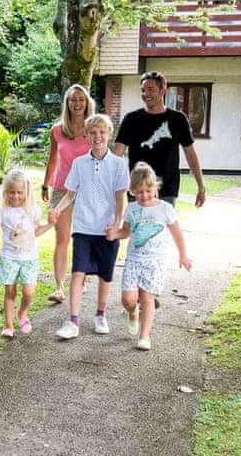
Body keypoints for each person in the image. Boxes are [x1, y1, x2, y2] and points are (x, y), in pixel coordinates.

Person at [48, 114, 129, 340]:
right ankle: (73, 321)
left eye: (102, 132)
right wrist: (58, 210)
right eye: (92, 132)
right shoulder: (79, 163)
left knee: (105, 276)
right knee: (77, 273)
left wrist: (117, 224)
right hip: (83, 228)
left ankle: (100, 315)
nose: (97, 136)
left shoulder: (118, 165)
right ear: (86, 136)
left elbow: (121, 197)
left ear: (109, 134)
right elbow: (70, 193)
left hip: (106, 230)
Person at [105, 162, 192, 351]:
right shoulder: (131, 208)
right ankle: (133, 313)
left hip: (155, 262)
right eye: (139, 192)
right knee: (128, 299)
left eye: (148, 190)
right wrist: (115, 234)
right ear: (132, 191)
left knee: (147, 299)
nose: (144, 195)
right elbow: (126, 232)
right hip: (134, 260)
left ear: (156, 187)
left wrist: (183, 255)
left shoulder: (165, 208)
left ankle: (144, 337)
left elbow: (177, 233)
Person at [0, 169, 52, 338]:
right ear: (5, 192)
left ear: (26, 192)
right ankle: (8, 325)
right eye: (11, 192)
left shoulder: (33, 210)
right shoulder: (2, 211)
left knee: (29, 293)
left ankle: (22, 313)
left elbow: (36, 231)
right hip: (9, 258)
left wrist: (50, 224)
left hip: (29, 258)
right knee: (10, 292)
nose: (15, 196)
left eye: (19, 192)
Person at [113, 71, 207, 208]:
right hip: (138, 190)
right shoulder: (131, 119)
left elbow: (190, 154)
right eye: (143, 90)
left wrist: (201, 187)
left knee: (163, 229)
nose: (146, 94)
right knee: (136, 229)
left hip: (167, 190)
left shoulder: (177, 119)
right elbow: (116, 155)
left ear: (163, 90)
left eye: (150, 89)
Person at [41, 84, 96, 304]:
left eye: (81, 99)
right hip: (62, 188)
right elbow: (53, 159)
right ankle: (59, 287)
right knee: (62, 237)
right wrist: (46, 184)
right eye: (73, 99)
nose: (77, 103)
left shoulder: (93, 129)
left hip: (87, 189)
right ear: (67, 102)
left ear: (87, 102)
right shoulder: (57, 130)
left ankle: (80, 281)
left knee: (82, 237)